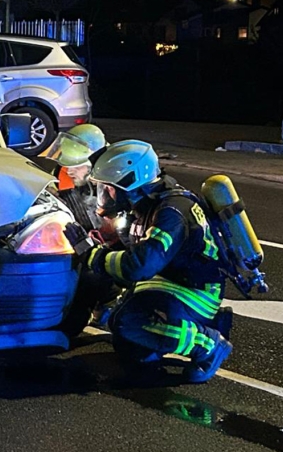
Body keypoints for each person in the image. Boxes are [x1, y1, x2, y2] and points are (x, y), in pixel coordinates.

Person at [84, 140, 232, 383]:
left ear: (129, 181)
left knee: (128, 322)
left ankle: (208, 344)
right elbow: (134, 249)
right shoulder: (147, 203)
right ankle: (176, 331)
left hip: (196, 290)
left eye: (108, 188)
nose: (105, 195)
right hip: (171, 279)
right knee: (129, 344)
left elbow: (140, 266)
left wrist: (95, 257)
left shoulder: (171, 212)